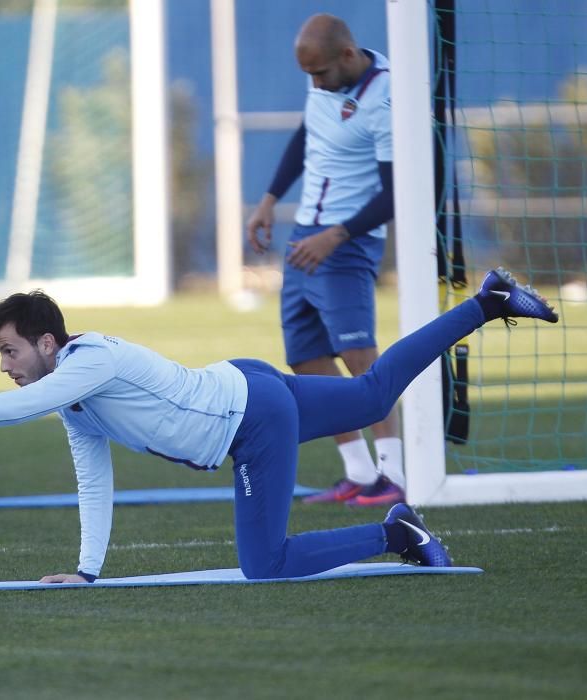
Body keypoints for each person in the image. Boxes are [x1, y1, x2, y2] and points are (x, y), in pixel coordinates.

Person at [0, 268, 558, 583]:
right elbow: (92, 480)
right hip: (245, 386)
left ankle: (394, 532)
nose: (6, 367)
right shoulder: (75, 398)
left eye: (11, 351)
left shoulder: (87, 361)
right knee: (374, 396)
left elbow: (15, 407)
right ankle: (489, 301)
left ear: (48, 344)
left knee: (267, 567)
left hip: (251, 418)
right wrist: (86, 571)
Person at [247, 14, 401, 506]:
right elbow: (305, 134)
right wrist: (270, 198)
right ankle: (359, 475)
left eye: (320, 74)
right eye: (308, 76)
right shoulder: (324, 84)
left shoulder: (387, 99)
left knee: (360, 359)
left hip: (346, 242)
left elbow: (397, 192)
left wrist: (336, 236)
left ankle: (393, 475)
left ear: (348, 56)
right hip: (304, 239)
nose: (314, 84)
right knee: (306, 356)